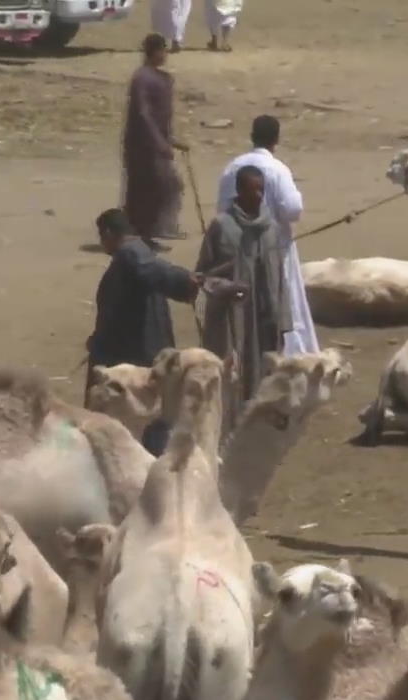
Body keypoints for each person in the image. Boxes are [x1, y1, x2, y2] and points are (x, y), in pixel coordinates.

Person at [86, 208, 201, 455]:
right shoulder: (137, 252)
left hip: (136, 352)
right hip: (140, 346)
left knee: (142, 417)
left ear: (108, 233)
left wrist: (184, 281)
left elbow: (155, 271)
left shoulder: (130, 253)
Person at [215, 115, 319, 356]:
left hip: (236, 248)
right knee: (282, 301)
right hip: (276, 250)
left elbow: (221, 210)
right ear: (276, 140)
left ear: (252, 137)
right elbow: (292, 209)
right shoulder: (277, 169)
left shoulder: (232, 168)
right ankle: (289, 354)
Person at [196, 165, 289, 432]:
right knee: (230, 374)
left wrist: (283, 320)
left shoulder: (271, 228)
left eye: (262, 189)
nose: (258, 195)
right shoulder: (221, 227)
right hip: (230, 317)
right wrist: (226, 287)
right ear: (238, 190)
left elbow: (280, 279)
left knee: (263, 371)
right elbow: (202, 275)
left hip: (264, 318)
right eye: (252, 189)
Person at [123, 34, 188, 253]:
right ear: (154, 51)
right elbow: (143, 114)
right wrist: (160, 142)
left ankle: (156, 229)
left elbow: (161, 117)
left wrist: (170, 139)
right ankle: (146, 234)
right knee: (151, 188)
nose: (165, 55)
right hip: (142, 146)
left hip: (155, 142)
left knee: (166, 186)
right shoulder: (142, 78)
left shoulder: (160, 78)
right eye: (163, 50)